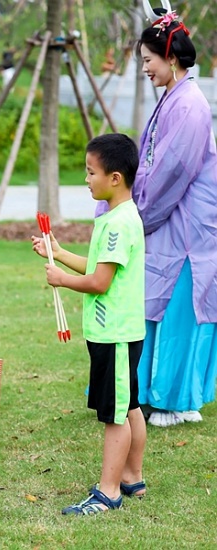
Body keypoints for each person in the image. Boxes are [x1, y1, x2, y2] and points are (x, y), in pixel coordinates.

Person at [100, 8, 217, 427]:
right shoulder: (176, 97)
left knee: (179, 314)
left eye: (148, 60)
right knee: (156, 309)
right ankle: (151, 394)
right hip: (173, 224)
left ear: (171, 57)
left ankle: (174, 400)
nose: (145, 68)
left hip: (187, 231)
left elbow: (171, 173)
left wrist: (133, 213)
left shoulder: (188, 106)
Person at [33, 134, 147, 514]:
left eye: (91, 172)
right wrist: (59, 253)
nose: (86, 179)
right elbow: (99, 266)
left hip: (114, 333)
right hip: (121, 332)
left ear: (115, 178)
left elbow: (100, 282)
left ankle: (109, 491)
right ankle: (132, 477)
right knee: (129, 406)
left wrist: (61, 279)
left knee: (116, 415)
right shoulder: (118, 217)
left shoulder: (117, 225)